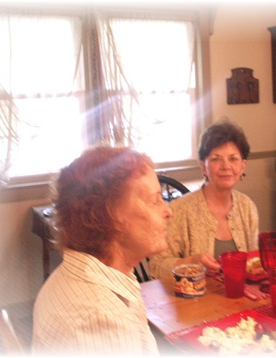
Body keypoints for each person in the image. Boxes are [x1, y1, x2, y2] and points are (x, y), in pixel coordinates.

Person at [31, 145, 172, 355]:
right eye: (154, 200)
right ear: (111, 217)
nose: (168, 211)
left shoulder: (88, 276)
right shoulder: (101, 320)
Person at [149, 118, 259, 279]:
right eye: (216, 159)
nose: (225, 166)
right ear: (203, 166)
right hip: (194, 300)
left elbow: (253, 262)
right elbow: (156, 267)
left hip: (239, 298)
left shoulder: (247, 207)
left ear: (243, 166)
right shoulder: (178, 210)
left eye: (233, 159)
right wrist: (190, 262)